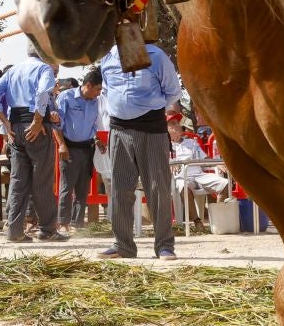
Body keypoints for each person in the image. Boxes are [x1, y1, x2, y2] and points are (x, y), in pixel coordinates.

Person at [97, 39, 182, 260]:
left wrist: (147, 107)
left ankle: (164, 245)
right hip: (119, 130)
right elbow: (106, 91)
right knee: (119, 188)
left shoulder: (156, 56)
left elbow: (173, 92)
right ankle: (122, 244)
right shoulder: (107, 58)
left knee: (157, 188)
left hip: (151, 130)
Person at [0, 56, 63, 243]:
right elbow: (42, 93)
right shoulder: (43, 69)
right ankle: (47, 230)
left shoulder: (14, 69)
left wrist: (5, 123)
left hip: (15, 126)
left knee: (18, 179)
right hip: (36, 126)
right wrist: (38, 121)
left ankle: (14, 230)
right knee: (42, 179)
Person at [54, 68, 103, 233]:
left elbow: (93, 125)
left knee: (82, 189)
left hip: (87, 148)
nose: (98, 93)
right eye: (97, 89)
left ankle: (77, 224)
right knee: (67, 186)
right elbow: (57, 124)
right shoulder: (66, 97)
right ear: (88, 85)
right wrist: (61, 145)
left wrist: (97, 140)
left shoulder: (95, 101)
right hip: (70, 147)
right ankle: (63, 223)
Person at [170, 114, 228, 228]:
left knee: (225, 184)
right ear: (166, 129)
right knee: (183, 187)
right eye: (172, 124)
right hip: (181, 177)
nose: (177, 126)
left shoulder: (192, 142)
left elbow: (204, 159)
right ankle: (197, 222)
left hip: (199, 174)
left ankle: (216, 221)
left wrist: (217, 164)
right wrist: (171, 165)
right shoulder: (165, 145)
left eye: (177, 123)